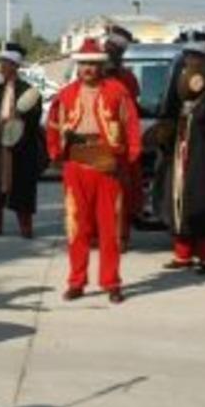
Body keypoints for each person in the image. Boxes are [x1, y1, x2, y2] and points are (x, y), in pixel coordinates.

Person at [46, 38, 141, 303]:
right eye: (84, 63)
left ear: (101, 66)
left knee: (110, 227)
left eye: (93, 64)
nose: (88, 68)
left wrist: (131, 153)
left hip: (107, 164)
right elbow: (53, 125)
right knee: (77, 226)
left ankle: (111, 282)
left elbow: (131, 123)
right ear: (77, 66)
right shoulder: (65, 94)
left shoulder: (117, 91)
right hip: (76, 165)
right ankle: (77, 281)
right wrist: (54, 152)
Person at [159, 31, 205, 274]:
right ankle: (182, 255)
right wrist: (165, 133)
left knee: (203, 202)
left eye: (195, 56)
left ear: (204, 59)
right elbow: (168, 112)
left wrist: (196, 114)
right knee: (178, 201)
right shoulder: (180, 81)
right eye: (187, 56)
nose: (190, 61)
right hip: (181, 155)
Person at [0, 42, 43, 238]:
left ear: (15, 66)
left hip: (21, 150)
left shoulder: (29, 92)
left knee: (22, 188)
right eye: (1, 63)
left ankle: (26, 226)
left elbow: (34, 118)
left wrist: (18, 125)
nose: (1, 67)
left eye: (5, 63)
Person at [104, 25, 143, 249]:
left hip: (122, 144)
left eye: (113, 51)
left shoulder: (127, 78)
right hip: (97, 142)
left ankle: (122, 236)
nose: (109, 53)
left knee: (123, 191)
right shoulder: (92, 75)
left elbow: (133, 112)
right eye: (107, 48)